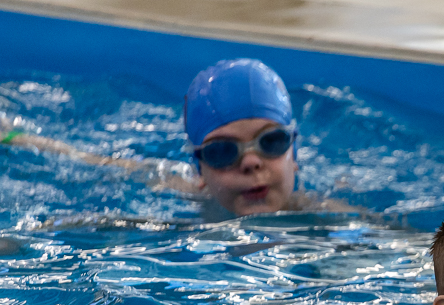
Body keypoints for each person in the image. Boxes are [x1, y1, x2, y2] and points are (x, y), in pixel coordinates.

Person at [0, 58, 352, 218]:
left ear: (294, 152)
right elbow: (100, 164)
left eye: (271, 142)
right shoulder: (181, 198)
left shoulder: (328, 220)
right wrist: (16, 137)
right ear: (198, 170)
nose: (250, 162)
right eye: (223, 152)